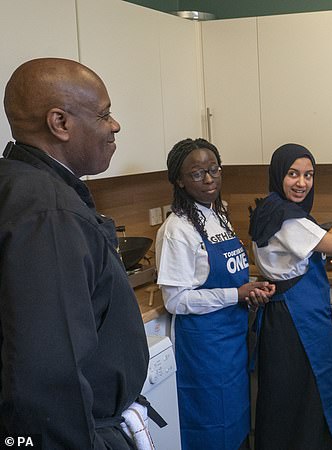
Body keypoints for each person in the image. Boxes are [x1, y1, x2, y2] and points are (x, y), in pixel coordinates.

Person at [0, 58, 149, 448]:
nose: (115, 125)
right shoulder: (49, 215)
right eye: (104, 114)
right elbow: (47, 373)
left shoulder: (18, 185)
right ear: (60, 123)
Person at [249, 143, 332, 450]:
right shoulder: (286, 217)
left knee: (300, 397)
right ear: (279, 174)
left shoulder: (272, 208)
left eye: (308, 175)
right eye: (293, 174)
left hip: (289, 317)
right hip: (296, 321)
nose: (302, 183)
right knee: (310, 395)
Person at [155, 138, 275, 450]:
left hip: (232, 344)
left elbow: (226, 273)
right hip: (204, 351)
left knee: (235, 428)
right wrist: (236, 294)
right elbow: (176, 300)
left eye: (214, 170)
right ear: (179, 180)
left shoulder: (216, 214)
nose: (209, 179)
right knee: (210, 432)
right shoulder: (176, 229)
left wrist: (251, 290)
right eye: (197, 174)